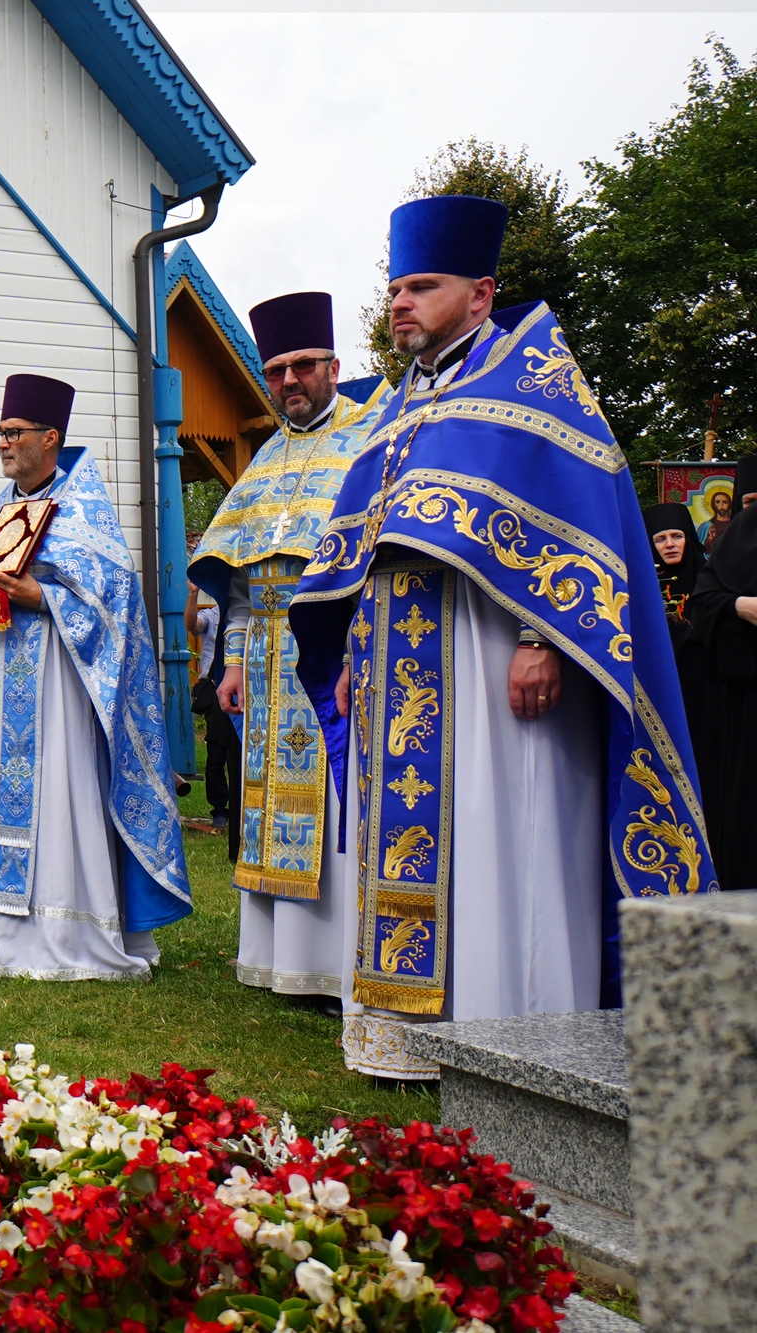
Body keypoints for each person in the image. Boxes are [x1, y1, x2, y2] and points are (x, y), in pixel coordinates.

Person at [291, 196, 716, 1080]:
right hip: (399, 673)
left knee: (498, 834)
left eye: (422, 286)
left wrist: (541, 634)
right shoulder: (400, 405)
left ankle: (505, 1030)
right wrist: (352, 662)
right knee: (413, 838)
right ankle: (402, 1037)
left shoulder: (535, 383)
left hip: (493, 670)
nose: (400, 302)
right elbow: (365, 545)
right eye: (396, 286)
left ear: (480, 293)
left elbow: (580, 525)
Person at [0, 373, 191, 981]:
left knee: (57, 799)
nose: (2, 443)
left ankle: (63, 930)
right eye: (0, 432)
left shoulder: (85, 514)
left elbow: (115, 602)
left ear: (50, 437)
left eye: (13, 433)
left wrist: (41, 596)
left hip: (59, 687)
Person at [190, 292, 378, 1007]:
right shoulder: (267, 455)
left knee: (332, 802)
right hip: (265, 660)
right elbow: (238, 580)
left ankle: (333, 964)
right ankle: (277, 961)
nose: (290, 380)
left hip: (329, 649)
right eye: (276, 370)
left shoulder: (368, 440)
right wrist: (233, 658)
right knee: (267, 803)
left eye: (303, 365)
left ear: (333, 365)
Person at [682, 459, 757, 890]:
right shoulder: (743, 536)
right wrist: (740, 606)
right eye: (748, 502)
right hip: (751, 707)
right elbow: (705, 599)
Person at [183, 582, 234, 837]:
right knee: (216, 753)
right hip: (214, 689)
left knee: (240, 753)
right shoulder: (212, 614)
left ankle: (241, 806)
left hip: (244, 691)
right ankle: (220, 811)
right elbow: (192, 626)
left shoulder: (246, 614)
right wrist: (193, 595)